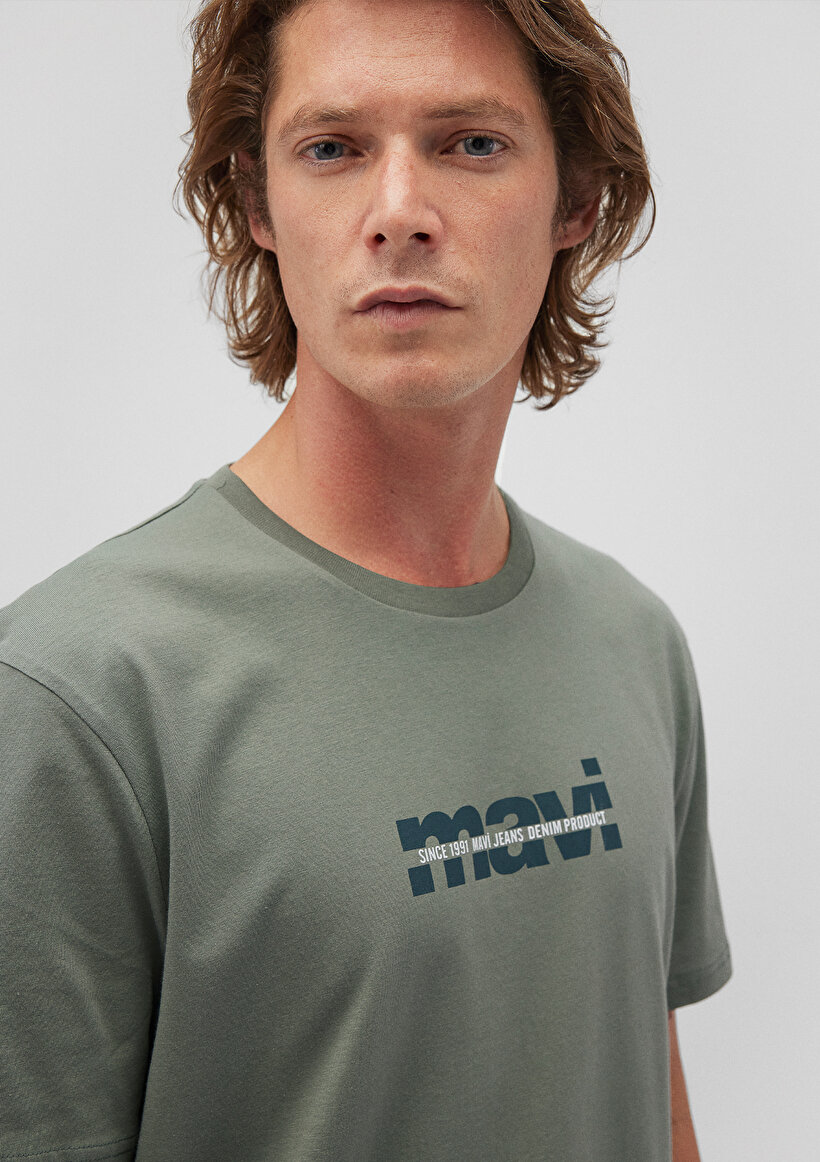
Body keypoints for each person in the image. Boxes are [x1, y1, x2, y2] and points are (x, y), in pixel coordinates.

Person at [0, 0, 732, 1158]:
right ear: (256, 204)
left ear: (577, 199)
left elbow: (650, 1097)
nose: (399, 211)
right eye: (333, 148)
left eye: (471, 142)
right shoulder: (75, 696)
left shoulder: (631, 640)